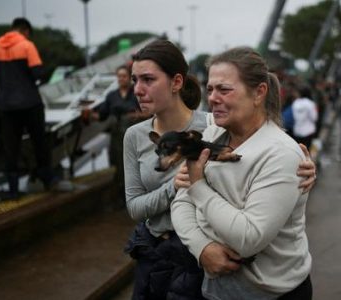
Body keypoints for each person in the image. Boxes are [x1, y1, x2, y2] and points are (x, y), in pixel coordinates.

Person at [122, 40, 316, 300]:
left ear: (259, 92)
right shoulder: (214, 133)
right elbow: (181, 202)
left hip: (268, 291)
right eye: (210, 89)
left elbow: (247, 237)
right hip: (211, 286)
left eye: (223, 89)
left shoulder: (269, 149)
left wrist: (197, 185)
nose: (212, 98)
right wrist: (203, 248)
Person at [0, 17, 57, 198]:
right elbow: (38, 74)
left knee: (11, 148)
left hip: (6, 107)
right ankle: (48, 180)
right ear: (25, 30)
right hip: (31, 103)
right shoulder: (27, 46)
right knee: (39, 142)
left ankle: (13, 189)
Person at [88, 65, 150, 197]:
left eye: (124, 76)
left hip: (135, 133)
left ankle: (139, 193)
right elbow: (102, 115)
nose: (121, 79)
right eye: (119, 76)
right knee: (119, 164)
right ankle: (122, 195)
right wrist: (88, 114)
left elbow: (150, 112)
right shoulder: (111, 95)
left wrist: (139, 115)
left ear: (130, 78)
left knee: (136, 163)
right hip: (117, 135)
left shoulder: (137, 92)